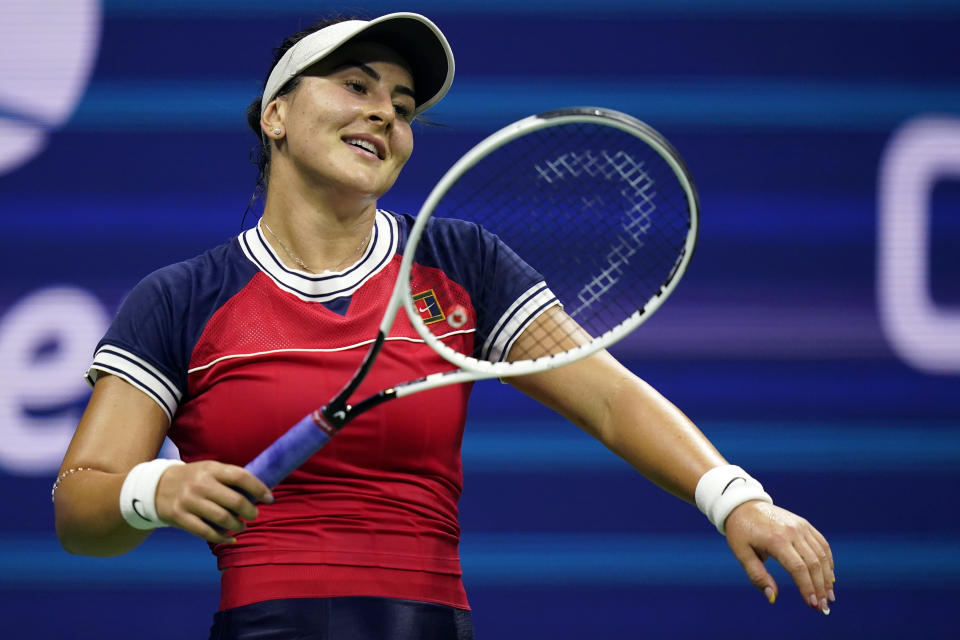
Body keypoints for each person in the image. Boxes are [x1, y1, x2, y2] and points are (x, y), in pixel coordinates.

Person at [53, 11, 835, 640]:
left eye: (402, 106)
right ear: (276, 114)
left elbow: (608, 398)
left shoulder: (457, 264)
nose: (384, 114)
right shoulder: (183, 299)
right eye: (356, 84)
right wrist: (160, 487)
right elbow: (79, 508)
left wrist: (737, 499)